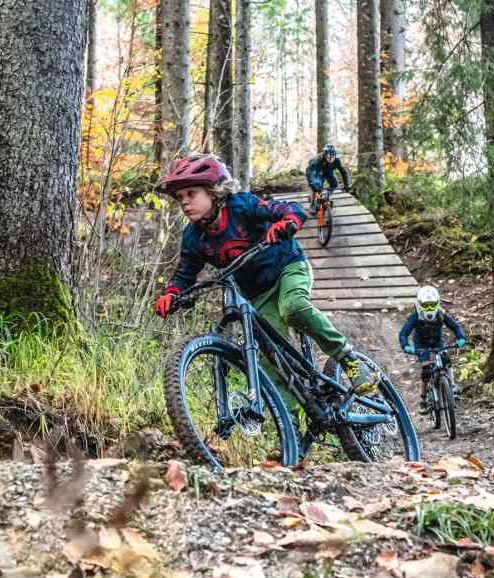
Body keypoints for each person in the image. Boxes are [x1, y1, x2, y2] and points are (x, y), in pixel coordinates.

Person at [153, 154, 379, 414]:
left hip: (288, 268)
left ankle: (349, 360)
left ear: (213, 191)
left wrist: (287, 222)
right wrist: (172, 293)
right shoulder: (193, 237)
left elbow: (284, 209)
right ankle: (291, 427)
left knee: (293, 307)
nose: (184, 202)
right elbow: (185, 272)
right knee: (272, 359)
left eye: (191, 193)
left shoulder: (240, 206)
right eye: (180, 197)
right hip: (258, 294)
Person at [398, 286, 466, 414]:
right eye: (426, 305)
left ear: (437, 303)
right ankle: (423, 399)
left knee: (446, 360)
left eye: (432, 305)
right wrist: (405, 346)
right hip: (421, 344)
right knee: (426, 371)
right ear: (419, 304)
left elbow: (455, 326)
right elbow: (403, 333)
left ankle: (451, 386)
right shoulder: (415, 317)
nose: (429, 309)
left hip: (437, 342)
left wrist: (461, 338)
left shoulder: (441, 314)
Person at [305, 144, 351, 210]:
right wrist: (312, 183)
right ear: (325, 155)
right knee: (316, 186)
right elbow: (309, 173)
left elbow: (343, 172)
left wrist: (346, 185)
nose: (331, 159)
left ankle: (327, 195)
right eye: (329, 157)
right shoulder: (317, 160)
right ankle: (313, 203)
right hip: (317, 172)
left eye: (333, 157)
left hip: (328, 170)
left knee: (335, 184)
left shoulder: (337, 160)